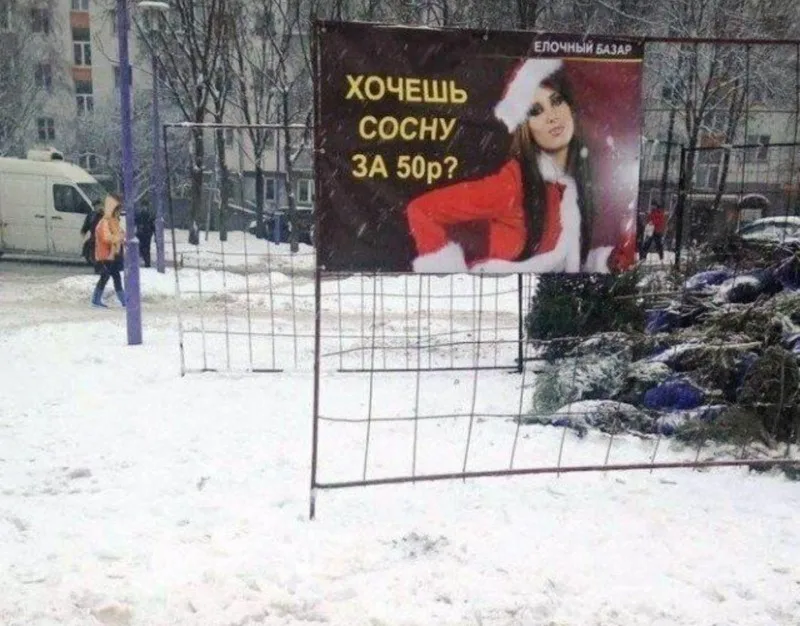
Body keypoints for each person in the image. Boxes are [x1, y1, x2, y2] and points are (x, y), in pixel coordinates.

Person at [406, 58, 633, 275]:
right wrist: (450, 277)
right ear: (525, 127)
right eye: (536, 111)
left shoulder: (580, 180)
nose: (552, 117)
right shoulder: (513, 184)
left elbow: (567, 259)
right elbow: (421, 210)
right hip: (506, 294)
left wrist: (608, 261)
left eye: (556, 101)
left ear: (570, 107)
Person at [91, 194, 126, 308]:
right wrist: (119, 237)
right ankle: (96, 299)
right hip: (105, 255)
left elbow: (119, 234)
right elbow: (106, 238)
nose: (119, 213)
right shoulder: (105, 222)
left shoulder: (113, 221)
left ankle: (123, 300)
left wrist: (122, 237)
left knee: (114, 276)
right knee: (105, 276)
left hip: (113, 254)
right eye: (118, 211)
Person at [80, 200, 104, 270]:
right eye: (95, 206)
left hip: (102, 238)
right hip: (94, 238)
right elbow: (87, 224)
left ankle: (101, 268)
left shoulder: (104, 214)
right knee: (94, 254)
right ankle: (97, 268)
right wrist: (83, 231)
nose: (97, 207)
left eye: (98, 206)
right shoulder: (91, 215)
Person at [135, 202, 156, 268]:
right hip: (142, 234)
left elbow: (153, 225)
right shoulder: (140, 215)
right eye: (143, 206)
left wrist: (154, 234)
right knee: (142, 248)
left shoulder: (149, 215)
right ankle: (146, 262)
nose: (144, 208)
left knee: (146, 249)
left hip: (146, 234)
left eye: (145, 206)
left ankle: (147, 263)